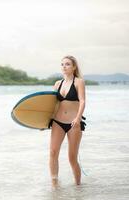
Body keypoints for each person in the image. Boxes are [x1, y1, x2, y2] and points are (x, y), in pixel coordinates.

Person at [48, 55, 86, 187]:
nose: (64, 66)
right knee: (52, 153)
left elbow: (82, 101)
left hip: (73, 123)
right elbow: (52, 105)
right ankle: (54, 185)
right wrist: (45, 121)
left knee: (72, 158)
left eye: (68, 64)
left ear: (74, 67)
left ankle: (78, 186)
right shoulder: (58, 84)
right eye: (62, 64)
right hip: (57, 122)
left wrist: (78, 118)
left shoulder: (78, 82)